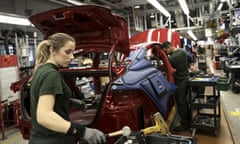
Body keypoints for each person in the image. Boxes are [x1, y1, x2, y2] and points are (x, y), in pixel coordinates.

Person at [29, 33, 106, 144]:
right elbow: (44, 116)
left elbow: (43, 100)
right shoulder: (52, 74)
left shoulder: (41, 70)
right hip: (53, 139)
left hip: (39, 138)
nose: (72, 57)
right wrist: (82, 131)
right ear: (52, 50)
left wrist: (68, 102)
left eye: (73, 52)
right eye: (67, 52)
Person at [160, 41, 189, 132]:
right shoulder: (181, 51)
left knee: (181, 102)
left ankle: (185, 124)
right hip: (183, 79)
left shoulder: (175, 56)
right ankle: (187, 119)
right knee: (183, 101)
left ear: (169, 47)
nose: (166, 53)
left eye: (166, 51)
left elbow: (165, 65)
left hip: (181, 81)